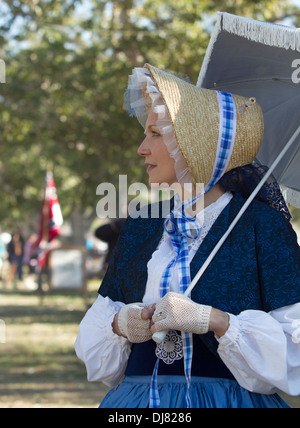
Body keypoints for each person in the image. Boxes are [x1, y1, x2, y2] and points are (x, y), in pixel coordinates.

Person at [75, 64, 300, 408]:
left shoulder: (260, 226)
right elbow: (96, 348)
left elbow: (294, 353)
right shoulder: (144, 224)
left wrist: (214, 321)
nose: (141, 148)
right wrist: (120, 325)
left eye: (155, 133)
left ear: (197, 143)